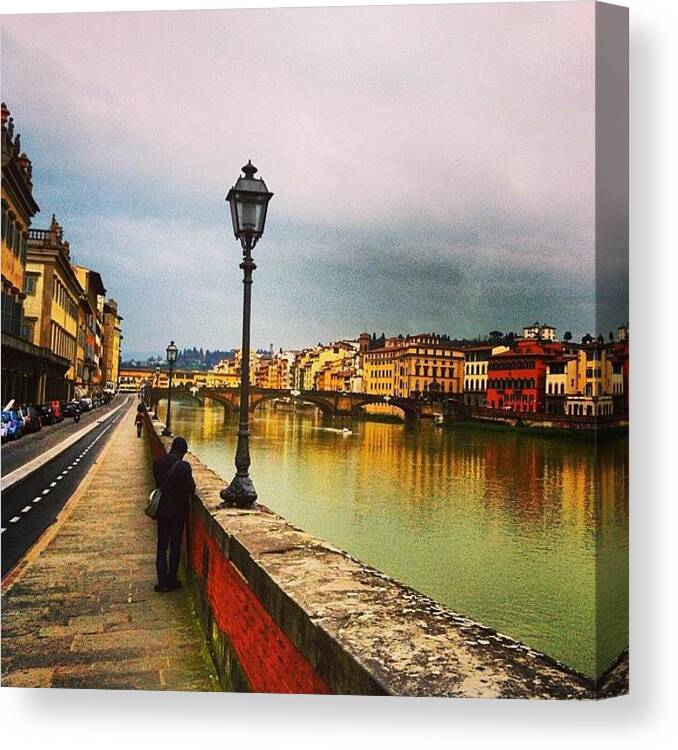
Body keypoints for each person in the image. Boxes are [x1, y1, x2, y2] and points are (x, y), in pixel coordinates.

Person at [151, 437, 195, 593]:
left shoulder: (157, 463)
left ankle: (162, 582)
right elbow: (191, 488)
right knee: (175, 546)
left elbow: (158, 484)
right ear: (182, 452)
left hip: (162, 510)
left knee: (162, 546)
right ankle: (172, 580)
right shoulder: (184, 466)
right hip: (178, 513)